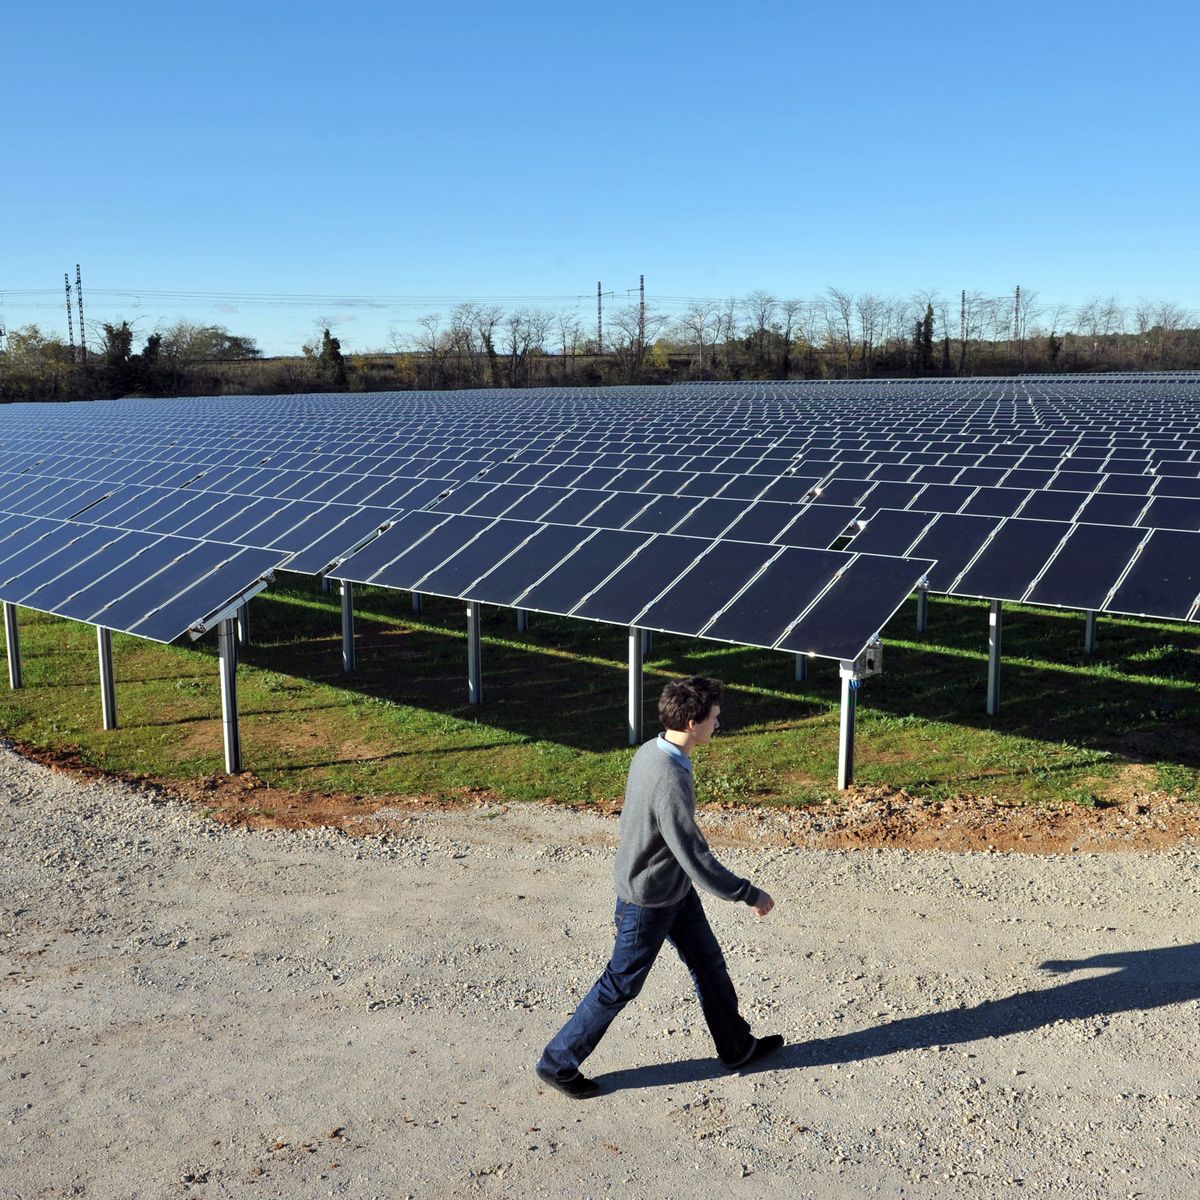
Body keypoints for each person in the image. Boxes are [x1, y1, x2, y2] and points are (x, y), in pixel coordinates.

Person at [536, 676, 781, 1099]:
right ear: (691, 722)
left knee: (708, 963)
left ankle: (737, 1047)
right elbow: (695, 855)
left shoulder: (652, 750)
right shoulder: (669, 775)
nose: (718, 724)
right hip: (648, 900)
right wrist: (747, 893)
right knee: (620, 984)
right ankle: (558, 1063)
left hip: (671, 889)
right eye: (714, 718)